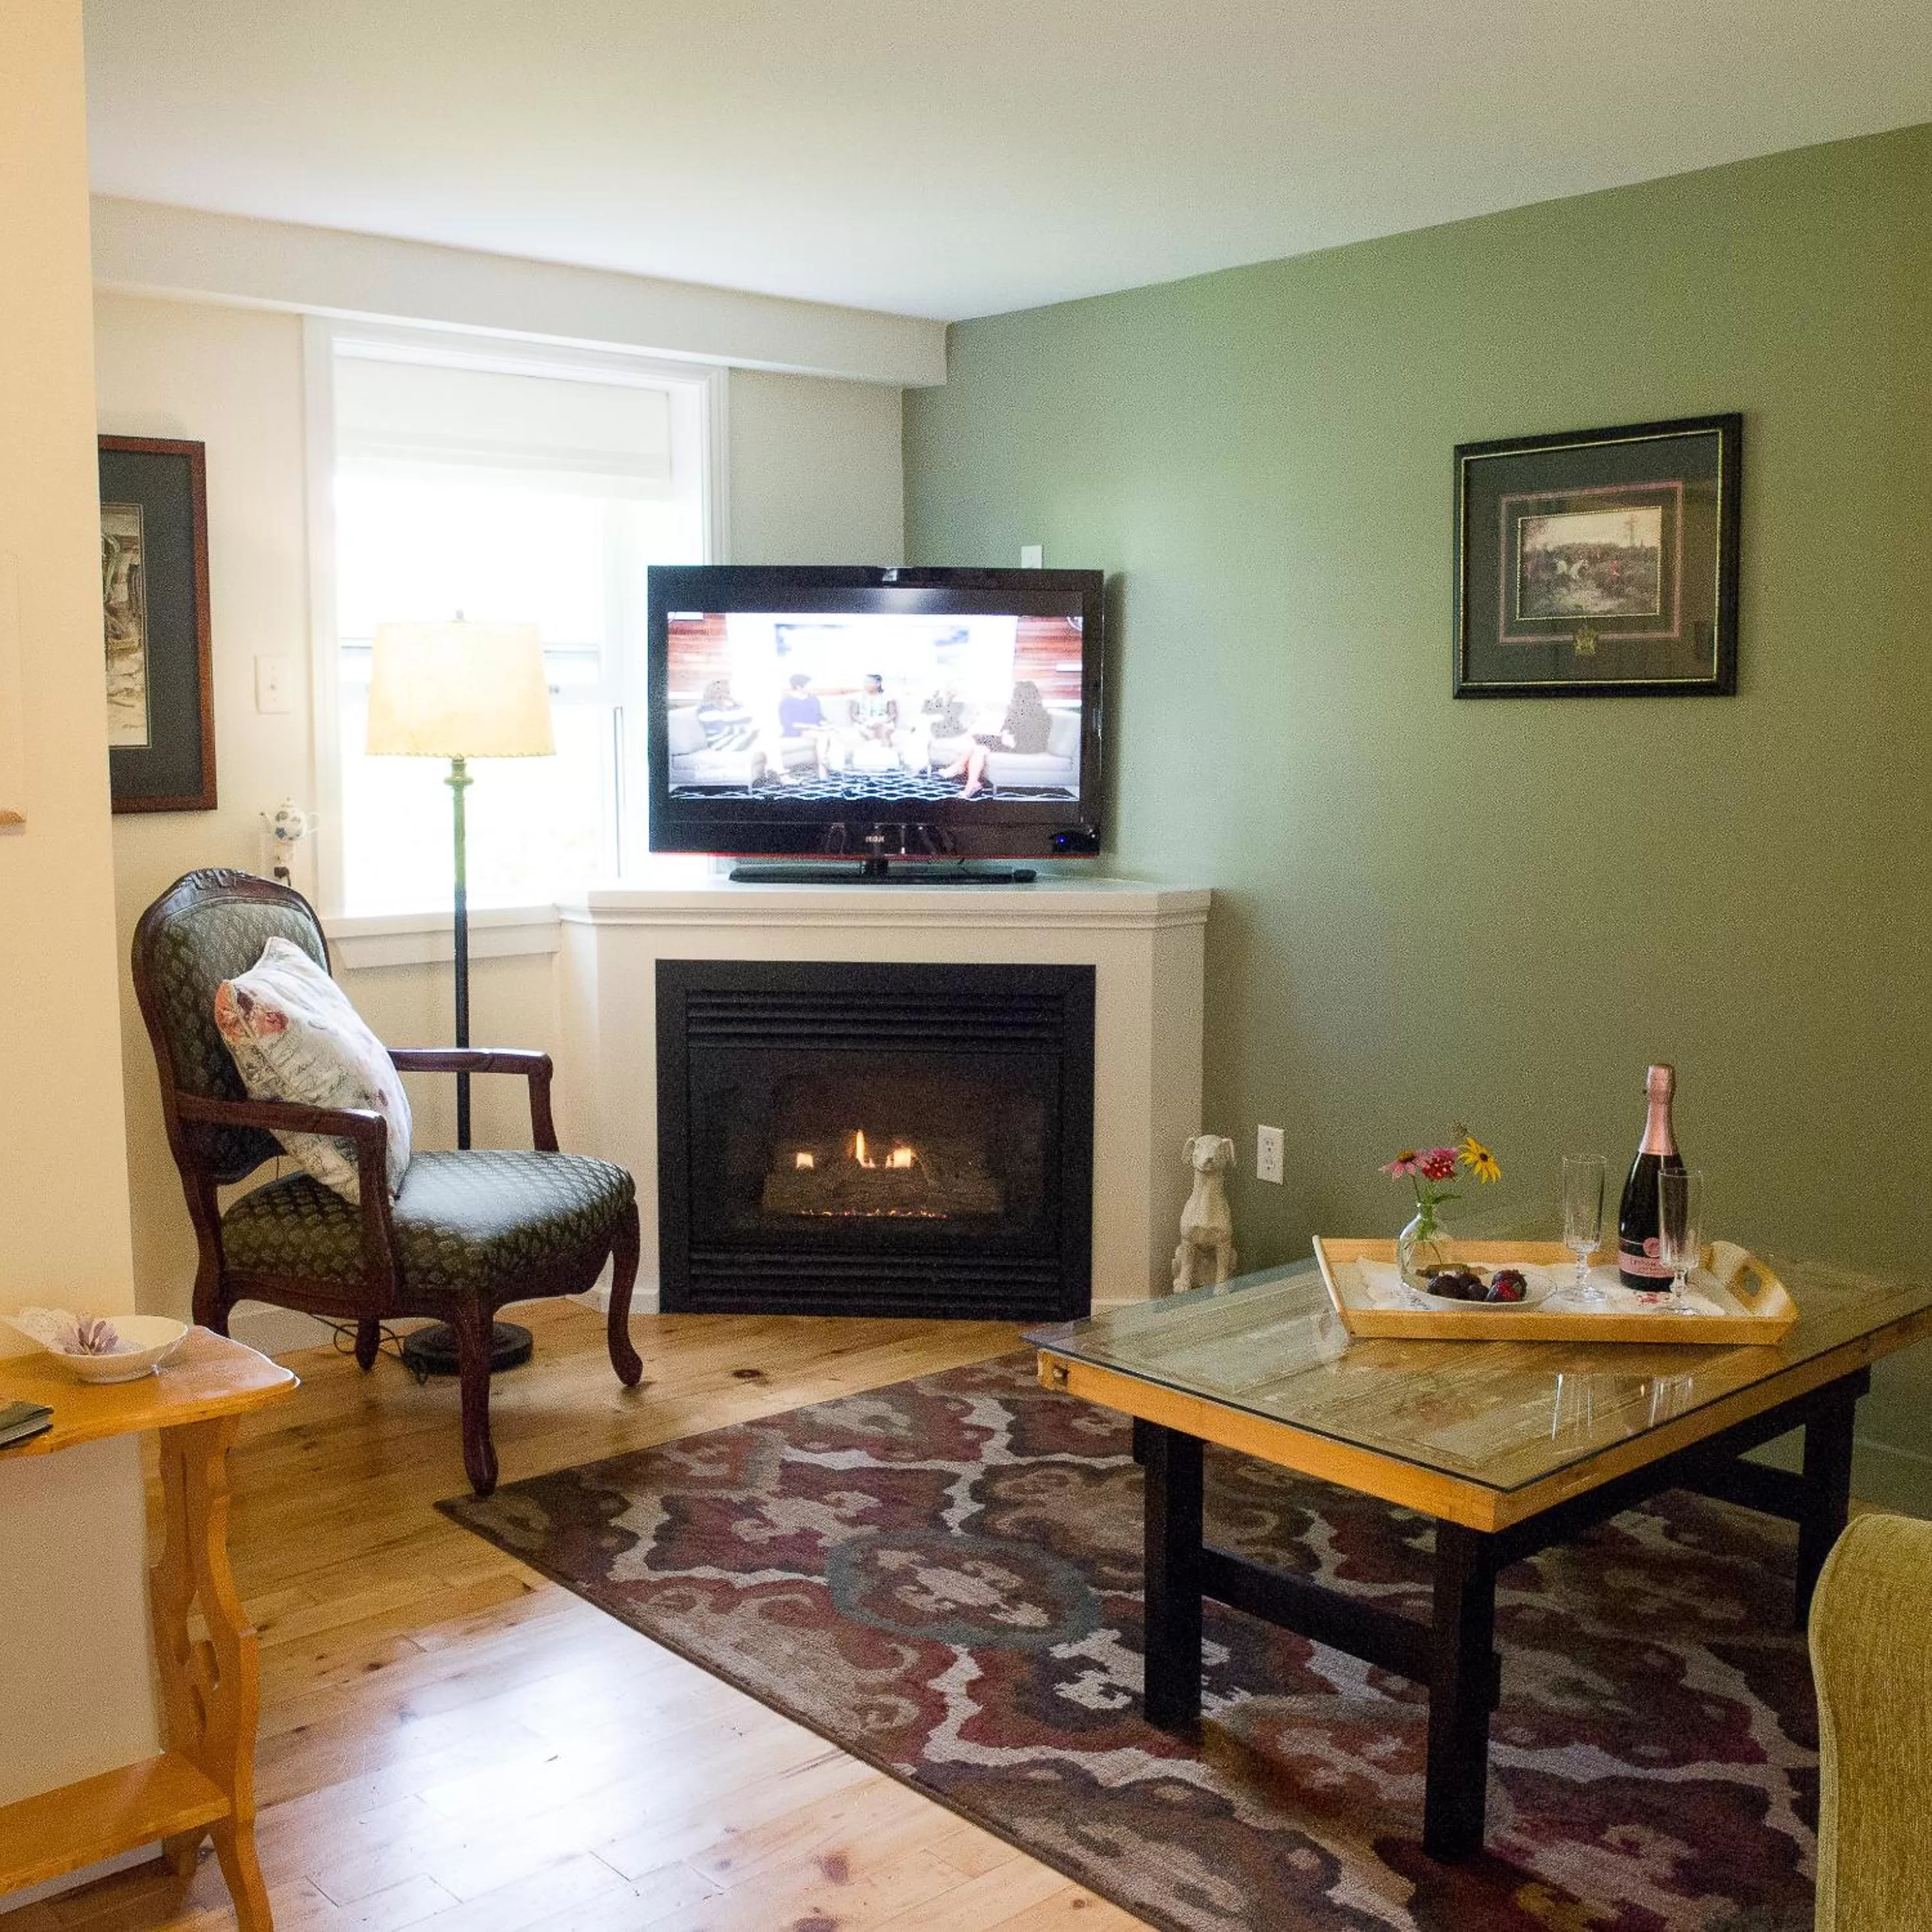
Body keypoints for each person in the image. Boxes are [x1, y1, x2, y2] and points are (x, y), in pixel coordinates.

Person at [940, 680, 1051, 798]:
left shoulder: (1041, 715)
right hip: (1012, 742)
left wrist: (1014, 741)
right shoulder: (1016, 710)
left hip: (1026, 747)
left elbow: (1038, 740)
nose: (1012, 695)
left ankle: (959, 768)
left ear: (1023, 694)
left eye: (1014, 692)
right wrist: (1006, 735)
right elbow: (1006, 728)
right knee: (979, 745)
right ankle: (972, 783)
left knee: (980, 743)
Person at [775, 672, 836, 778]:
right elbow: (789, 723)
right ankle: (822, 769)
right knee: (823, 736)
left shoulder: (813, 699)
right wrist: (811, 727)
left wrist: (825, 724)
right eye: (809, 685)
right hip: (797, 731)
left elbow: (820, 717)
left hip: (815, 729)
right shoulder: (787, 702)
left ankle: (834, 765)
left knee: (834, 733)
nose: (813, 688)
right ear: (799, 687)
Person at [694, 678, 757, 753]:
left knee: (767, 737)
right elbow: (724, 729)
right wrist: (751, 729)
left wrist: (734, 704)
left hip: (738, 738)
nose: (731, 693)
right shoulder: (705, 710)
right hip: (721, 744)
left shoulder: (733, 705)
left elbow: (748, 718)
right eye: (729, 690)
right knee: (764, 739)